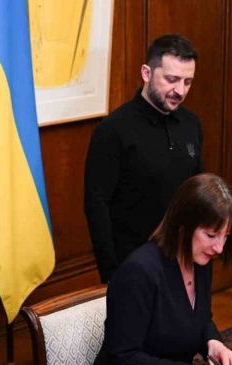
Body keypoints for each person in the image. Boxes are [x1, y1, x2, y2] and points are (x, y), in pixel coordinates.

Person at [77, 173, 232, 365]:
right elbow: (123, 358)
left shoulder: (200, 262)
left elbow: (199, 319)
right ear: (182, 226)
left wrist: (213, 343)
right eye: (211, 236)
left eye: (225, 237)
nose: (219, 248)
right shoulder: (139, 272)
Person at [84, 33, 203, 283]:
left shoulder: (191, 124)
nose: (180, 91)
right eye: (171, 79)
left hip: (183, 258)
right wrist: (111, 273)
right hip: (132, 263)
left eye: (188, 82)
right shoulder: (113, 130)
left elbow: (197, 191)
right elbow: (97, 205)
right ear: (147, 73)